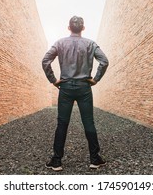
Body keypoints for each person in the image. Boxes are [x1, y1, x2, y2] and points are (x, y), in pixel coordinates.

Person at [42, 16, 109, 171]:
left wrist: (53, 80)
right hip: (84, 88)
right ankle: (95, 159)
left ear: (69, 28)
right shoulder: (90, 44)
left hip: (65, 88)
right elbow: (104, 61)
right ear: (83, 28)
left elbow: (45, 60)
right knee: (88, 122)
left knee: (62, 123)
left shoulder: (60, 43)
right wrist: (96, 79)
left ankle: (57, 161)